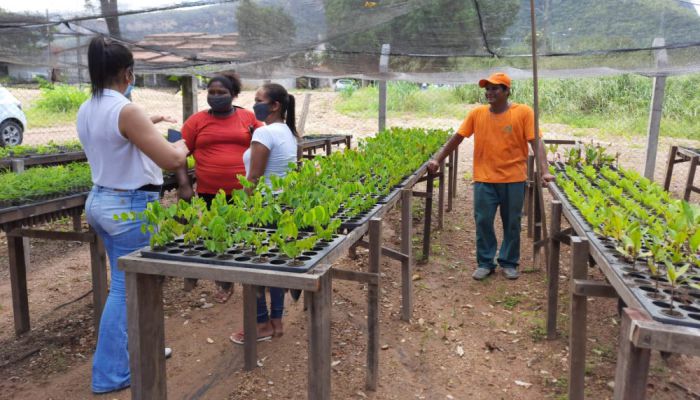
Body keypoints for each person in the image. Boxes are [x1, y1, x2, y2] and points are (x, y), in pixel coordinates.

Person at [78, 37, 188, 394]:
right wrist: (185, 142)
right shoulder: (126, 109)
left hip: (101, 201)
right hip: (129, 208)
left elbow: (122, 135)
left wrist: (151, 120)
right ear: (128, 73)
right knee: (128, 289)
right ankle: (111, 373)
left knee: (124, 285)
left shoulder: (88, 106)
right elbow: (171, 160)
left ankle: (140, 350)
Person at [427, 72, 555, 281]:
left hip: (513, 178)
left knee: (512, 222)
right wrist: (437, 159)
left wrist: (545, 171)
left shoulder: (523, 113)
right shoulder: (477, 114)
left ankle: (509, 261)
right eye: (487, 89)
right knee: (483, 220)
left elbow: (536, 142)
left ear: (506, 91)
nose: (490, 92)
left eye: (495, 88)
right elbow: (457, 138)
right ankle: (486, 262)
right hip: (484, 179)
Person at [176, 73, 263, 303]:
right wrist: (184, 184)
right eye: (211, 92)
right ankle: (224, 283)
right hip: (209, 191)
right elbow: (178, 153)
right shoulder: (196, 121)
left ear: (233, 95)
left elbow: (264, 145)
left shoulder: (249, 118)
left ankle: (249, 279)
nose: (215, 97)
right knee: (216, 234)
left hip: (243, 191)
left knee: (244, 233)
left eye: (221, 93)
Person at [230, 83, 298, 344]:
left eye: (258, 100)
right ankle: (276, 321)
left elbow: (254, 178)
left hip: (261, 210)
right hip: (282, 208)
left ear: (274, 105)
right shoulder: (289, 134)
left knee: (254, 266)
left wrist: (241, 212)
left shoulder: (264, 134)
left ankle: (260, 324)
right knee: (276, 263)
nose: (253, 104)